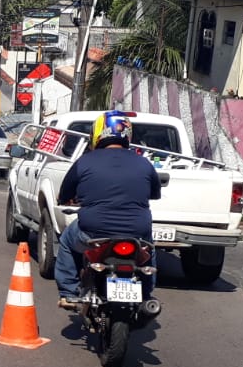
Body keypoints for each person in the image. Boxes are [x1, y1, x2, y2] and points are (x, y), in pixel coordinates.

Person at [53, 111, 163, 310]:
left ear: (97, 134)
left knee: (67, 241)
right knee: (149, 249)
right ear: (127, 134)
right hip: (136, 232)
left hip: (93, 233)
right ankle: (146, 294)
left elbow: (65, 193)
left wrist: (69, 199)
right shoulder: (144, 163)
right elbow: (155, 193)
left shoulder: (85, 161)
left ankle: (69, 292)